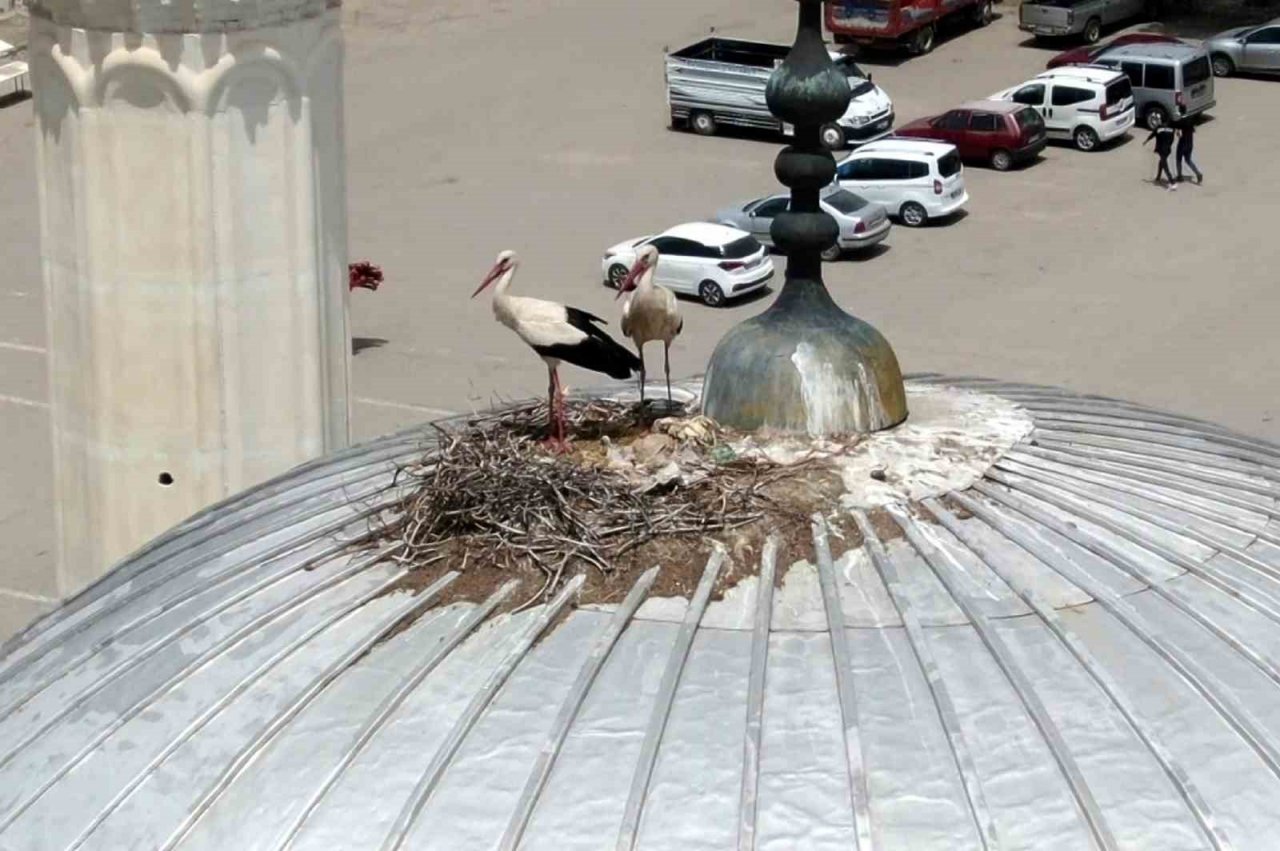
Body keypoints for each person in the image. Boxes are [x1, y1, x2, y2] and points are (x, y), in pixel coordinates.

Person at [1144, 123, 1177, 190]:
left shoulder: (1158, 128)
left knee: (1165, 166)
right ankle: (1158, 177)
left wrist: (1146, 141)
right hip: (1167, 149)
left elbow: (1152, 135)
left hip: (1161, 149)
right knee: (1161, 162)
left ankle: (1172, 182)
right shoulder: (1172, 129)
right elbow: (1172, 139)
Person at [1175, 119, 1203, 185]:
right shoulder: (1190, 121)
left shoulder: (1180, 122)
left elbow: (1178, 134)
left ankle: (1179, 176)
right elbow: (1194, 130)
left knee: (1178, 160)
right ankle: (1198, 173)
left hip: (1182, 144)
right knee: (1188, 160)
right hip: (1190, 143)